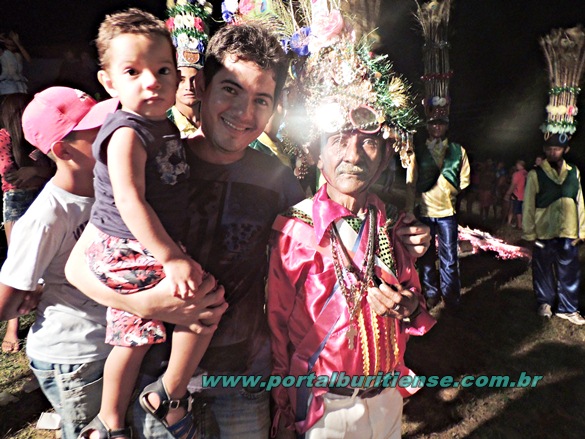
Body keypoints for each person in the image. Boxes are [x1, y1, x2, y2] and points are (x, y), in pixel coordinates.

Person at [264, 2, 434, 437]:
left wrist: (410, 306)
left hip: (388, 399)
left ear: (385, 155)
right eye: (338, 140)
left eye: (368, 142)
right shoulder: (296, 230)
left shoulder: (393, 225)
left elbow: (414, 297)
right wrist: (283, 409)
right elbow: (277, 328)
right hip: (326, 408)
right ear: (316, 153)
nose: (353, 155)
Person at [79, 9, 215, 439]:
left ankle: (153, 399)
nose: (151, 81)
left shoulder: (159, 124)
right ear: (109, 83)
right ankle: (123, 414)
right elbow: (130, 200)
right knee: (180, 316)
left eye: (162, 70)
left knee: (163, 326)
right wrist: (171, 257)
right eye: (133, 72)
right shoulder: (126, 133)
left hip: (143, 244)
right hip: (126, 247)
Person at [0, 87, 117, 439]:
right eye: (96, 132)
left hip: (105, 345)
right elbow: (6, 301)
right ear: (63, 151)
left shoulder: (106, 189)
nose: (111, 134)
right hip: (74, 356)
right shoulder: (46, 216)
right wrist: (27, 295)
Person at [0, 93, 54, 353]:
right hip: (18, 200)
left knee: (48, 257)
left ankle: (43, 312)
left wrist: (34, 171)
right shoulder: (4, 138)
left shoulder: (35, 140)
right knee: (18, 261)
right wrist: (36, 173)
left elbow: (53, 169)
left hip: (41, 195)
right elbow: (9, 175)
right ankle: (12, 328)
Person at [522, 138, 585, 324]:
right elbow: (528, 205)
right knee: (543, 268)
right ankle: (545, 303)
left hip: (569, 231)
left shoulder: (574, 172)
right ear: (544, 149)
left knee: (570, 270)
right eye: (549, 149)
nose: (553, 152)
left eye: (557, 149)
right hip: (544, 231)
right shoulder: (536, 174)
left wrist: (582, 231)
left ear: (566, 149)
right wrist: (529, 233)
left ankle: (568, 308)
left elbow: (580, 201)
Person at [414, 118, 470, 309]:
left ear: (447, 126)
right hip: (425, 211)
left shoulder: (458, 150)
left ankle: (450, 295)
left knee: (450, 256)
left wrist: (449, 192)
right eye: (433, 123)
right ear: (427, 126)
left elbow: (465, 180)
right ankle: (430, 293)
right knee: (426, 255)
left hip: (447, 212)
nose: (437, 127)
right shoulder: (418, 151)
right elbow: (412, 180)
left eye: (441, 123)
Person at [165, 0, 211, 138]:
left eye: (194, 79)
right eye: (182, 80)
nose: (189, 87)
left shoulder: (216, 123)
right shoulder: (161, 126)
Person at [505, 160, 527, 228]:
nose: (516, 166)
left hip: (517, 194)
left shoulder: (517, 174)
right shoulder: (526, 173)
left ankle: (519, 225)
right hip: (525, 194)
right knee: (521, 210)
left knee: (517, 210)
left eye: (517, 164)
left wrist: (508, 194)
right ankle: (520, 224)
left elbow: (513, 185)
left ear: (519, 165)